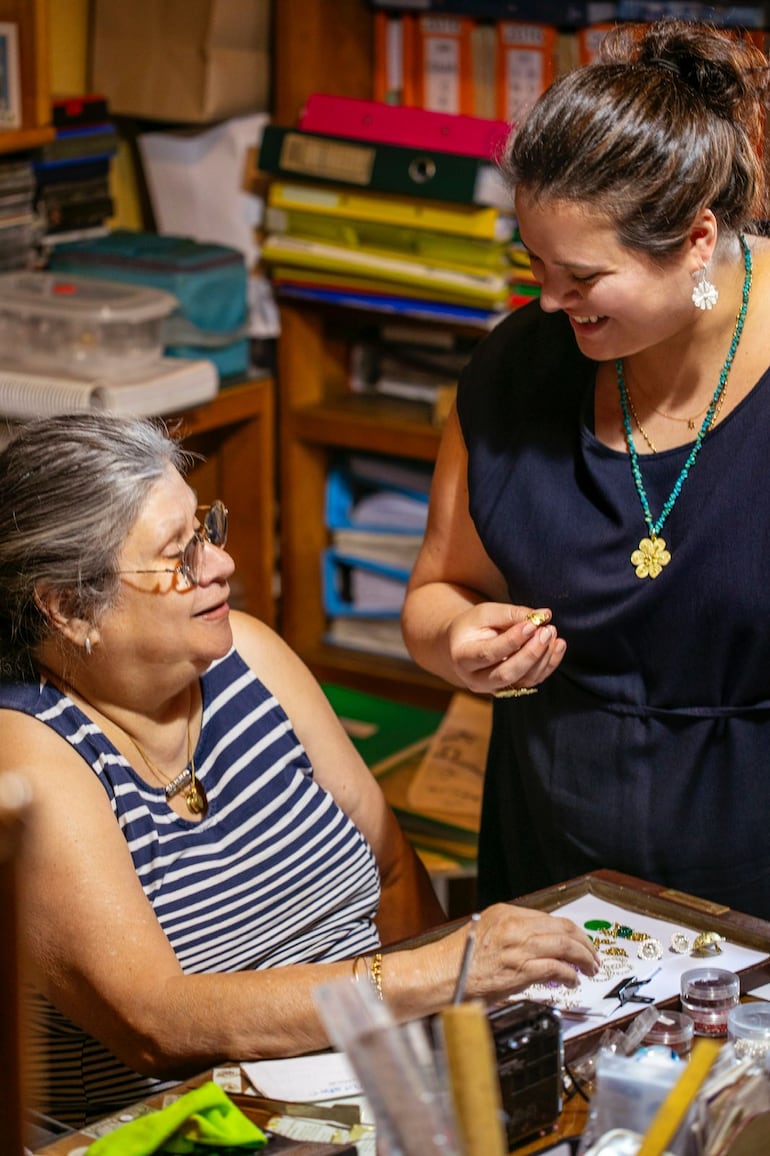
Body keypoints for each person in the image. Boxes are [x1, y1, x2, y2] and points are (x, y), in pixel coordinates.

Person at [0, 413, 597, 1127]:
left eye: (205, 530)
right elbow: (157, 1024)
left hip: (374, 1087)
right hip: (188, 1129)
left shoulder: (244, 654)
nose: (221, 564)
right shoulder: (30, 750)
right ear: (69, 608)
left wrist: (450, 1045)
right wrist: (438, 974)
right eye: (177, 557)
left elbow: (393, 869)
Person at [402, 20, 770, 923]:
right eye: (532, 262)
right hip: (551, 876)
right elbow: (435, 592)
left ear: (694, 240)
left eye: (581, 275)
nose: (547, 300)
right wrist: (458, 643)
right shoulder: (521, 367)